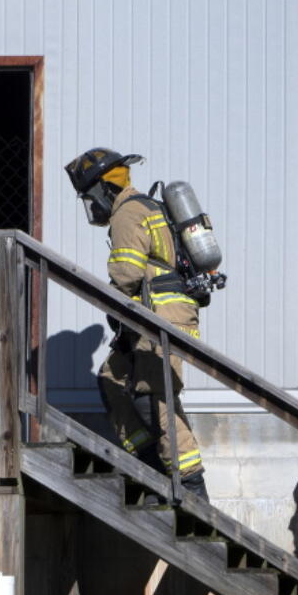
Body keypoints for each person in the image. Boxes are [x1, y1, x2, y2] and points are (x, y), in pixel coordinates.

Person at [65, 147, 209, 501]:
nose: (91, 204)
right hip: (152, 317)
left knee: (156, 398)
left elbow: (127, 274)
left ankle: (191, 488)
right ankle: (151, 466)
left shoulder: (127, 214)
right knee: (112, 379)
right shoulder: (145, 206)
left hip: (158, 318)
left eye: (89, 196)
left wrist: (109, 298)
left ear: (102, 189)